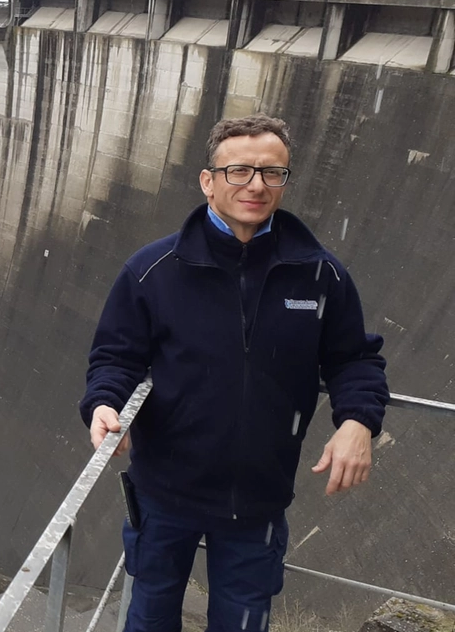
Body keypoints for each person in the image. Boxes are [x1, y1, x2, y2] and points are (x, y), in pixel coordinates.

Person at [79, 114, 388, 632]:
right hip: (164, 492)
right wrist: (106, 404)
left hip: (258, 500)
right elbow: (116, 357)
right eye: (239, 171)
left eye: (272, 173)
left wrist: (358, 421)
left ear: (285, 181)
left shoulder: (320, 274)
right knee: (149, 618)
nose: (256, 186)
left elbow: (354, 358)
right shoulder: (153, 270)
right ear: (208, 181)